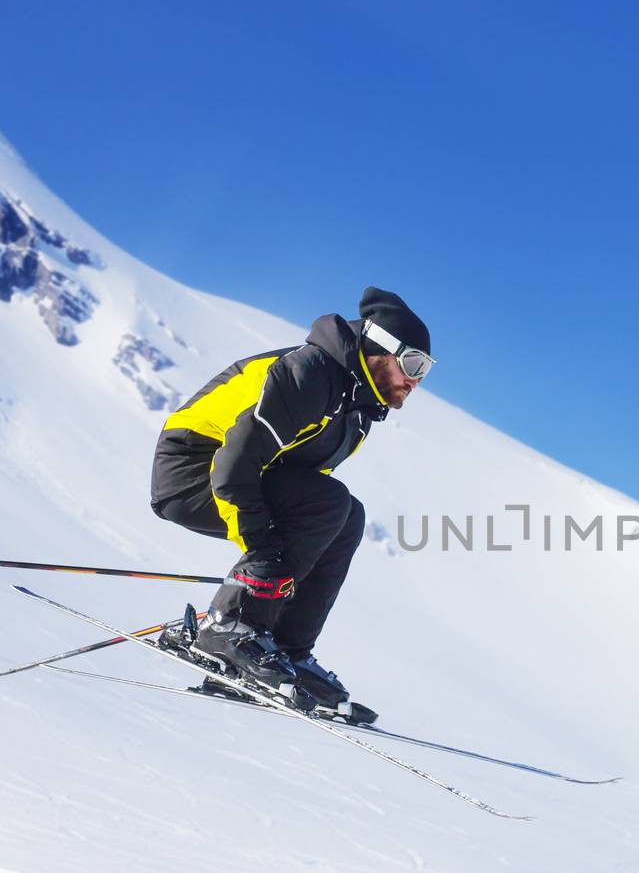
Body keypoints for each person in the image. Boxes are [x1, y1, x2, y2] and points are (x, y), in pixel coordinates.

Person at [148, 286, 432, 708]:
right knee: (329, 504)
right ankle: (231, 627)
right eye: (412, 363)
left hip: (242, 475)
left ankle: (284, 647)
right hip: (192, 465)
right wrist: (261, 554)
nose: (416, 379)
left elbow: (301, 499)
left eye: (426, 370)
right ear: (379, 348)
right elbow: (233, 465)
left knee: (347, 515)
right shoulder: (310, 374)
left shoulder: (356, 412)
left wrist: (276, 564)